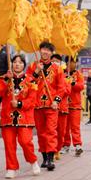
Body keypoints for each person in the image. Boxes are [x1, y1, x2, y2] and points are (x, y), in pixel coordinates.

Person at [0, 54, 40, 179]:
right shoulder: (5, 78)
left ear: (24, 65)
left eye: (20, 62)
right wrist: (6, 79)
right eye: (15, 62)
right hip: (7, 117)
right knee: (9, 144)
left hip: (24, 117)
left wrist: (19, 103)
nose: (17, 64)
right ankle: (11, 168)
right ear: (11, 64)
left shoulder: (31, 80)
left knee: (25, 142)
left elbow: (32, 101)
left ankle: (33, 161)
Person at [27, 41, 65, 171]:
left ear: (51, 53)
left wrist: (57, 101)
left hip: (51, 105)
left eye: (48, 50)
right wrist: (37, 72)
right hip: (37, 105)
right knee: (41, 132)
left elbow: (62, 87)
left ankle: (50, 158)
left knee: (51, 131)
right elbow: (28, 83)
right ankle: (43, 156)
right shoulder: (33, 66)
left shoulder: (57, 68)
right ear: (40, 50)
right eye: (43, 49)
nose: (45, 52)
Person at [63, 57, 85, 156]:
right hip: (64, 104)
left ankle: (77, 145)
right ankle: (66, 145)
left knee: (75, 126)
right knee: (65, 127)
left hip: (75, 105)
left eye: (74, 62)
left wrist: (72, 82)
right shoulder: (62, 73)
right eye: (70, 61)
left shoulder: (78, 74)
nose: (72, 64)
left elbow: (81, 87)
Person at [51, 54, 71, 159]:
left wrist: (59, 89)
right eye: (53, 61)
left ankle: (58, 148)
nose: (55, 63)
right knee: (51, 130)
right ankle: (51, 149)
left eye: (57, 61)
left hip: (62, 108)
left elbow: (68, 90)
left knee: (61, 131)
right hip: (51, 107)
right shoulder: (47, 76)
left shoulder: (66, 77)